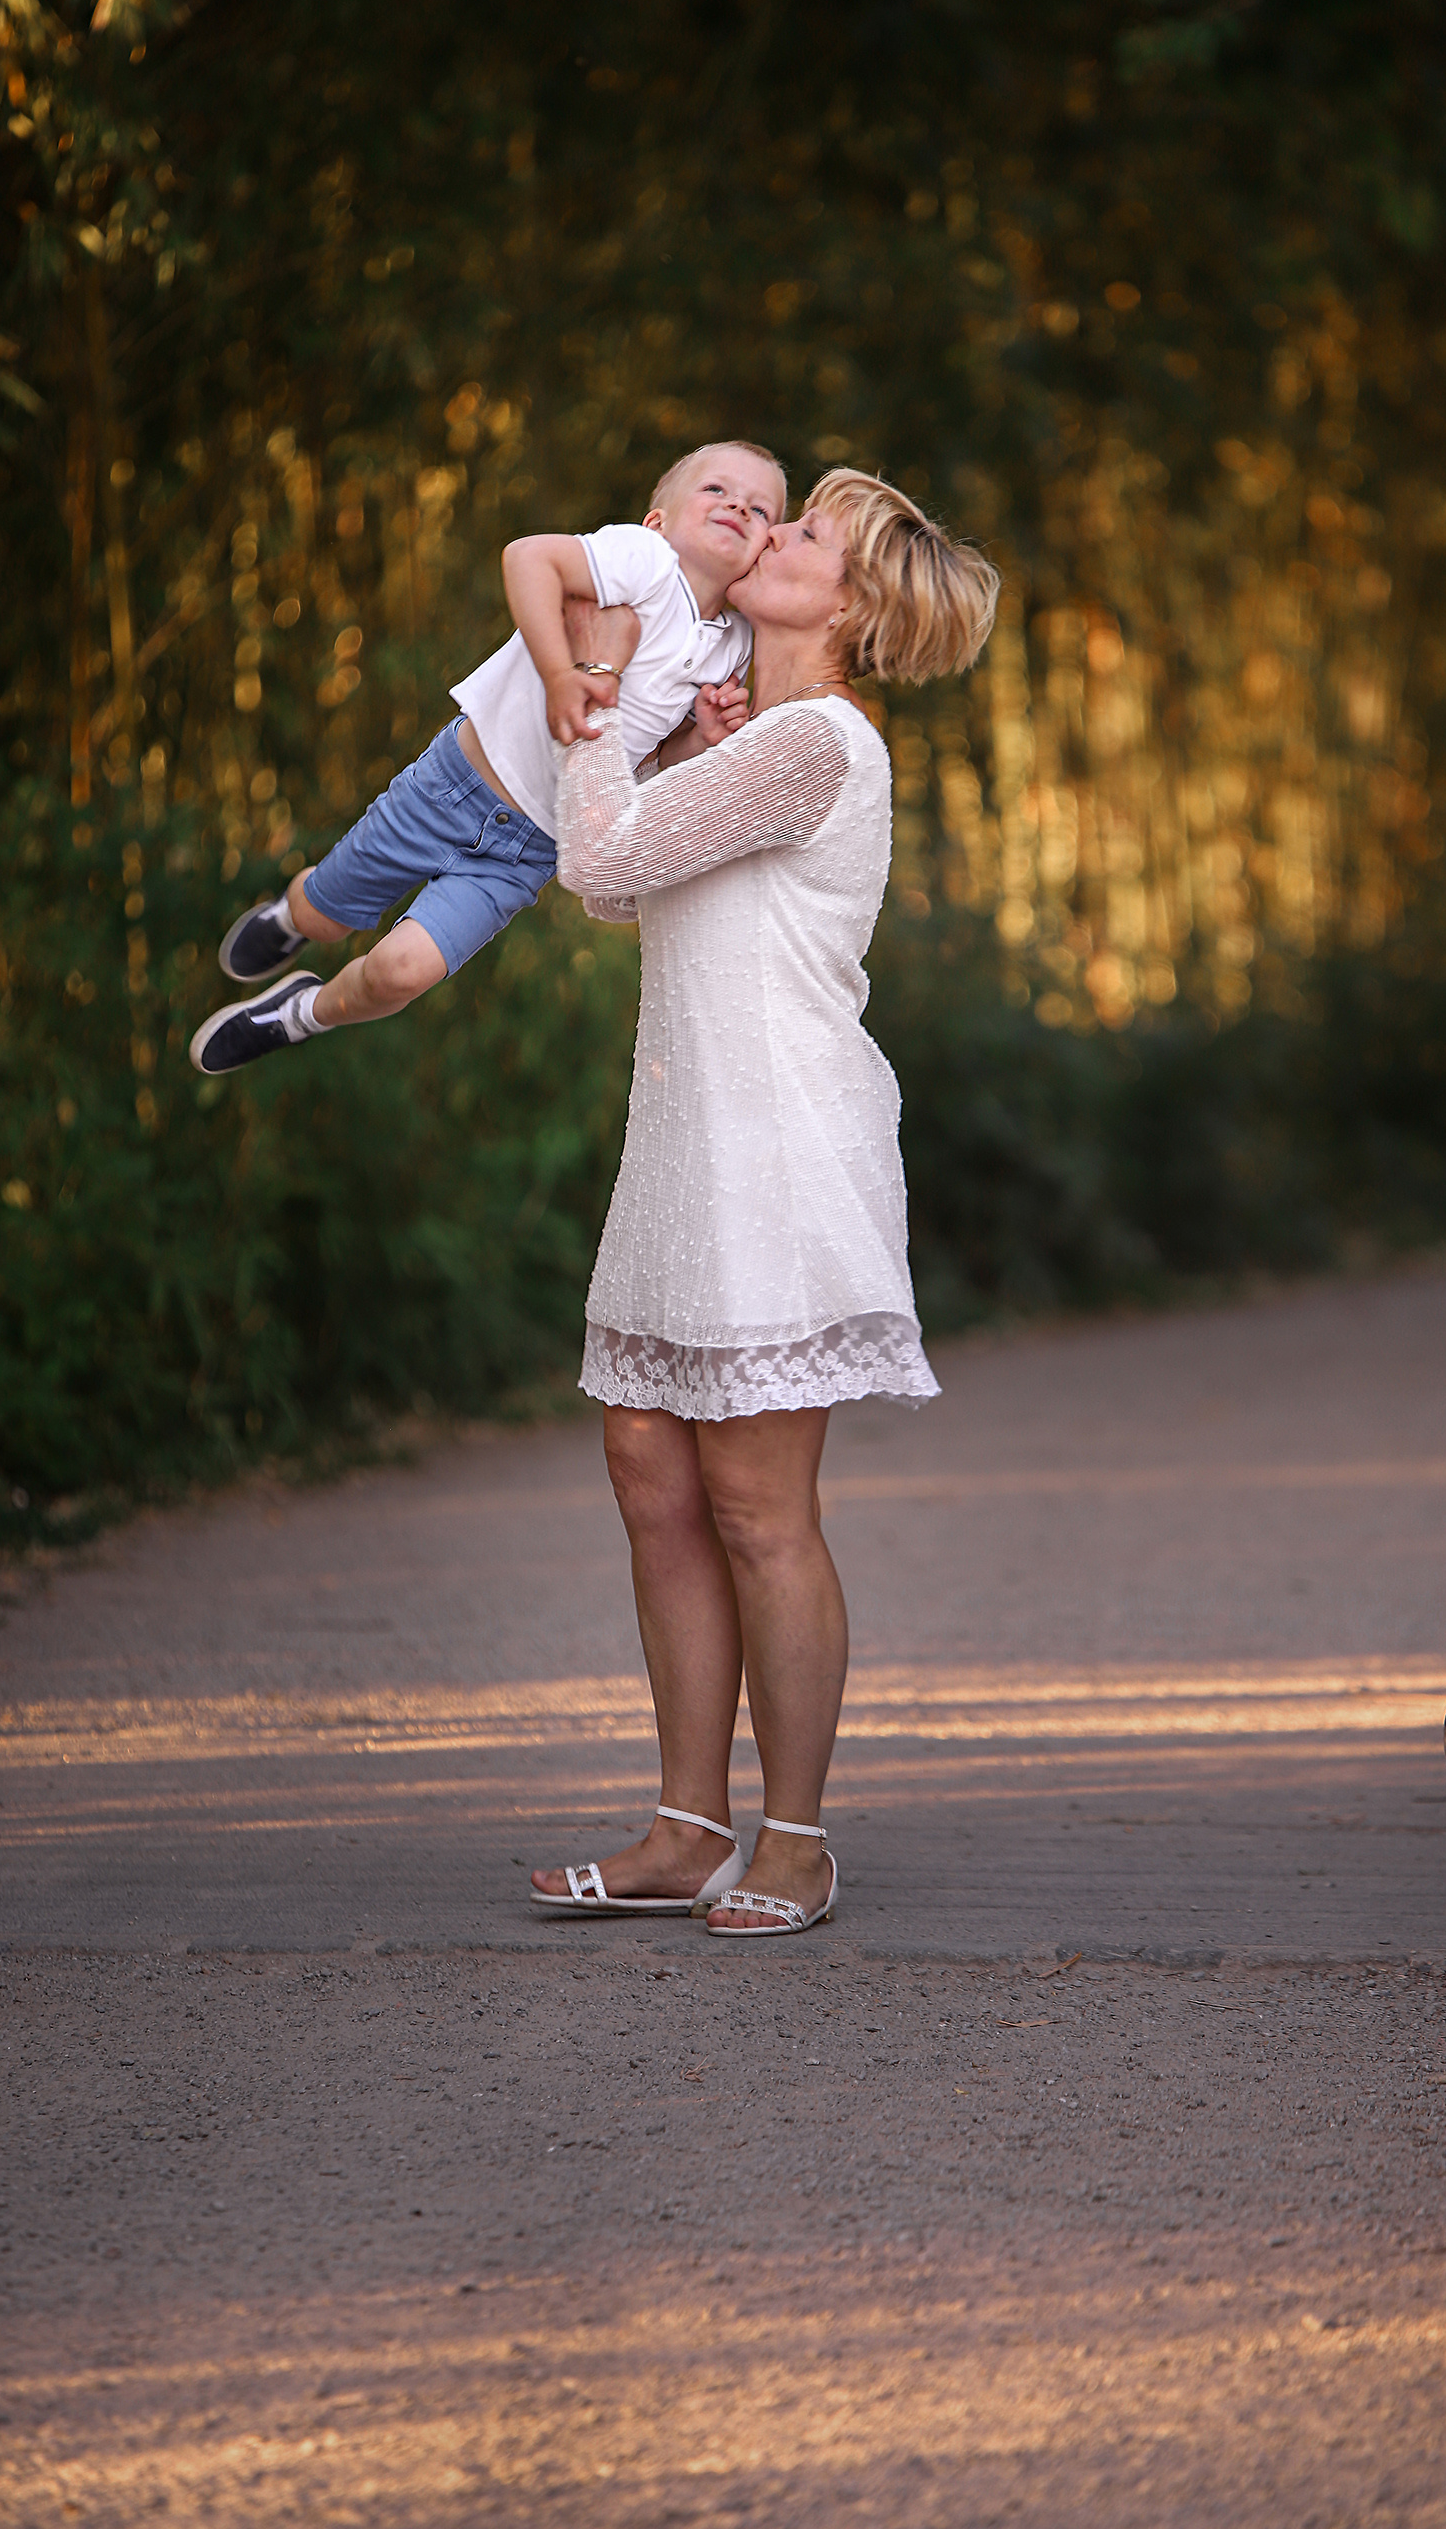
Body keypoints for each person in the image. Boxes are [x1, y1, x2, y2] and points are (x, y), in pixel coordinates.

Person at [529, 470, 999, 1938]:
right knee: (650, 1479)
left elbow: (595, 858)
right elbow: (619, 881)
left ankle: (792, 1842)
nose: (766, 533)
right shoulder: (753, 731)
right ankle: (685, 1828)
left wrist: (597, 682)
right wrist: (654, 727)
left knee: (754, 1503)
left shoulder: (814, 740)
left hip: (778, 1149)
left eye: (800, 537)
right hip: (684, 1138)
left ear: (847, 608)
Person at [187, 441, 784, 1075]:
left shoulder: (737, 646)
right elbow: (528, 558)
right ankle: (292, 914)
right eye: (716, 490)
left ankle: (299, 1014)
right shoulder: (644, 563)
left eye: (760, 508)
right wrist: (559, 672)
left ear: (766, 546)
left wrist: (700, 738)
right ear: (658, 520)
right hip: (450, 789)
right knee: (325, 917)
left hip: (532, 849)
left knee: (400, 972)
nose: (737, 507)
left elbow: (651, 758)